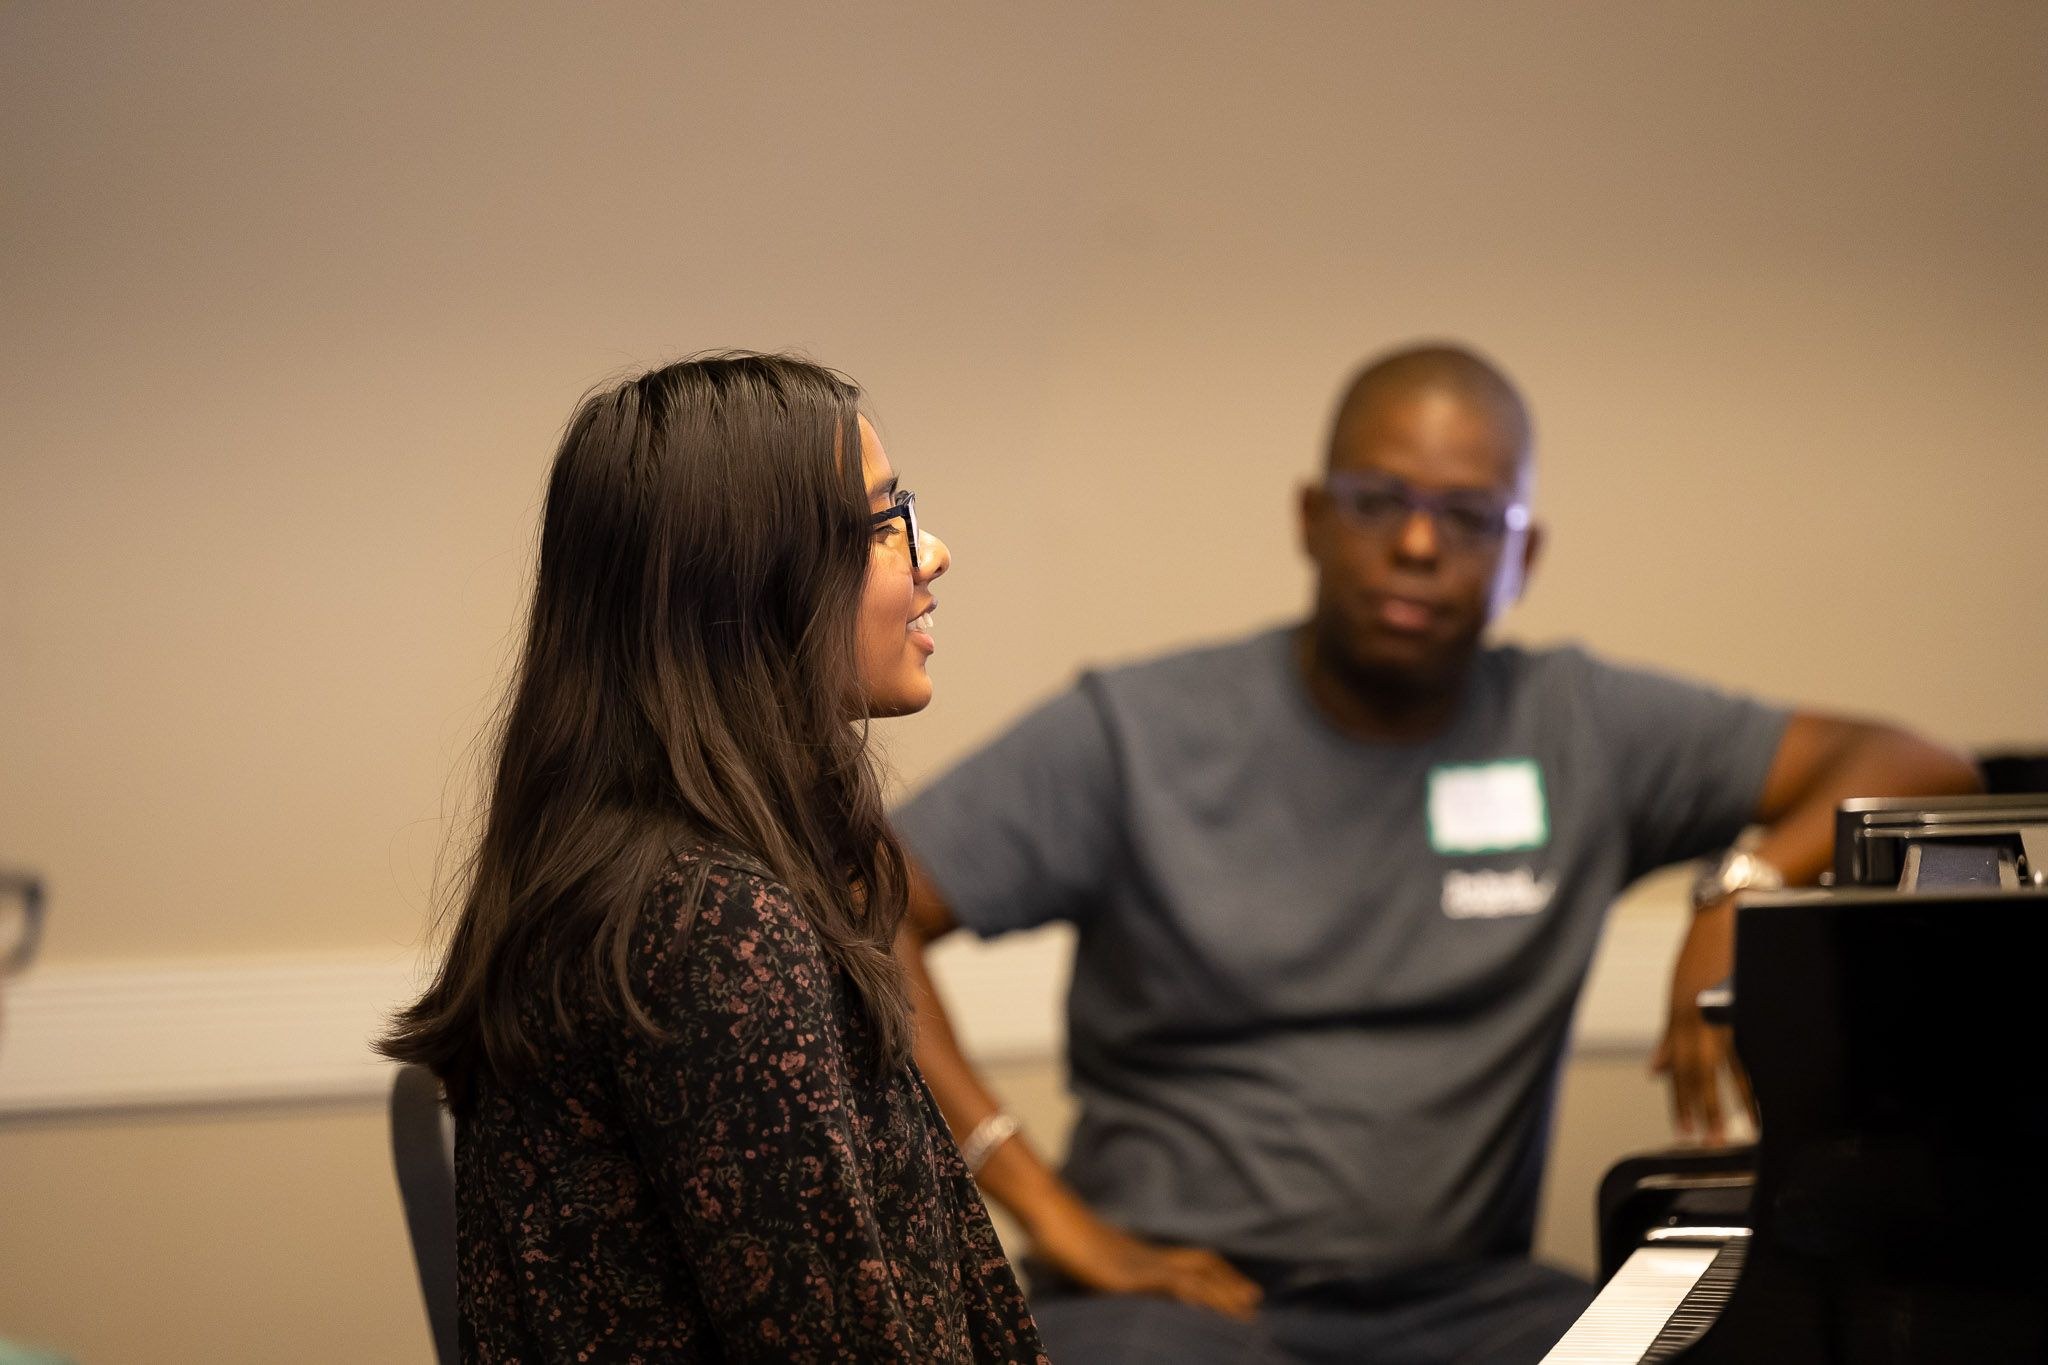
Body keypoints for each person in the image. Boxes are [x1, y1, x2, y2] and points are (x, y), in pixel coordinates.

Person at [893, 343, 1980, 1364]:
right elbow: (861, 903)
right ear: (1312, 519)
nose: (1416, 545)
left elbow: (1914, 760)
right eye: (1377, 502)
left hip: (1469, 1310)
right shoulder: (1132, 730)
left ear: (1523, 554)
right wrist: (1041, 1208)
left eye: (1467, 517)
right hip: (1171, 1311)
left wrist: (1742, 889)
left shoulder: (1581, 727)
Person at [381, 354, 1049, 1364]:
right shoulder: (712, 933)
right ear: (751, 584)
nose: (932, 553)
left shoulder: (647, 883)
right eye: (880, 525)